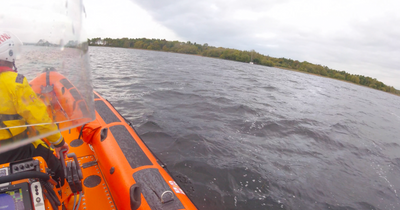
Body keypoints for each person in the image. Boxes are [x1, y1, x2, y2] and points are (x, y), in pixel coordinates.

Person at [0, 31, 69, 186]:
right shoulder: (16, 83)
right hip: (14, 149)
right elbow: (40, 120)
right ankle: (59, 188)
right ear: (9, 54)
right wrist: (59, 142)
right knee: (55, 165)